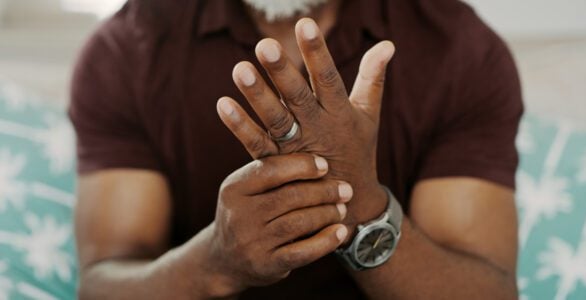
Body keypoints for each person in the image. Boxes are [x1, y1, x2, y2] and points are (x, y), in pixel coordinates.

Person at [70, 0, 523, 298]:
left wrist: (362, 207)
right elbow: (103, 283)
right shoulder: (126, 51)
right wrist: (214, 262)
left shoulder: (459, 50)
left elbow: (488, 290)